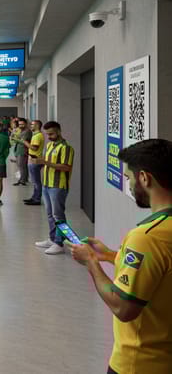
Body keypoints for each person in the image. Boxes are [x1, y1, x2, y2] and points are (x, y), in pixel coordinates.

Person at [69, 139, 172, 374]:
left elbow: (122, 307)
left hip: (140, 364)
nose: (129, 184)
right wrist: (110, 256)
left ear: (144, 178)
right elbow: (161, 270)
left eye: (128, 178)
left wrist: (91, 262)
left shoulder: (147, 237)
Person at [33, 121, 74, 255]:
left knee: (58, 215)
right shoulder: (49, 145)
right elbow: (47, 162)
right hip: (46, 184)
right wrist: (39, 161)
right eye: (47, 134)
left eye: (51, 134)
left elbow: (66, 167)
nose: (49, 137)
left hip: (58, 186)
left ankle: (59, 243)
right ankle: (52, 239)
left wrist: (45, 162)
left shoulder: (66, 148)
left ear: (59, 131)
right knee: (50, 214)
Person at [24, 120, 45, 205]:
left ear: (37, 125)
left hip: (35, 161)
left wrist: (25, 142)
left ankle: (37, 199)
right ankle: (34, 197)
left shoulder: (38, 136)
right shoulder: (36, 135)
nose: (30, 126)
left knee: (36, 181)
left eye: (32, 124)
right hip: (33, 160)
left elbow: (34, 148)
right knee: (35, 181)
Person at [13, 118, 31, 186]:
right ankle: (23, 179)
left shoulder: (27, 131)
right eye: (19, 124)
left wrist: (15, 139)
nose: (21, 126)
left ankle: (22, 180)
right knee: (21, 165)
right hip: (19, 150)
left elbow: (24, 141)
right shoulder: (22, 131)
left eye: (22, 124)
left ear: (26, 124)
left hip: (23, 150)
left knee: (22, 166)